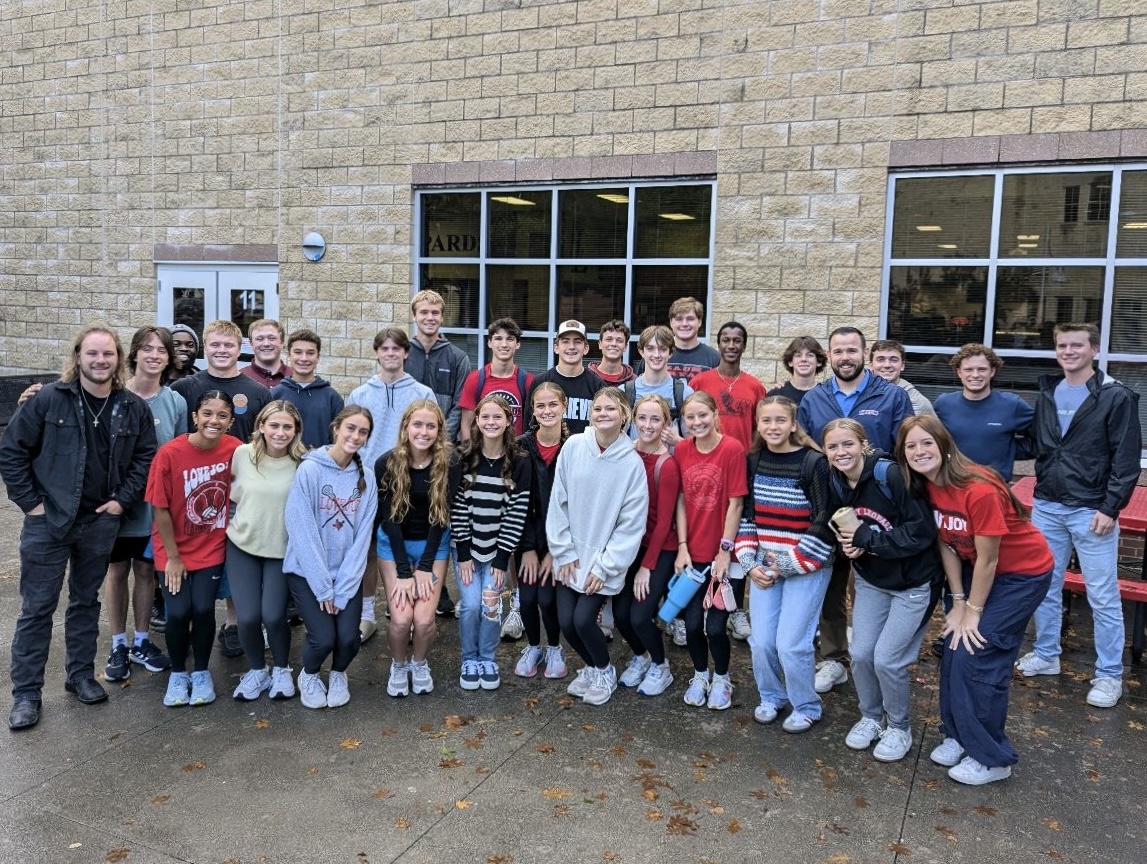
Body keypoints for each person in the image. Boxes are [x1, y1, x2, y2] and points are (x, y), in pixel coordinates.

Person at [1, 324, 158, 731]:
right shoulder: (49, 400)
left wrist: (121, 501)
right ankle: (27, 693)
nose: (100, 361)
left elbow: (145, 459)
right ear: (77, 357)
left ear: (119, 359)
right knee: (37, 609)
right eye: (92, 353)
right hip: (48, 522)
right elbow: (12, 451)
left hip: (99, 523)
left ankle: (80, 675)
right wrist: (31, 504)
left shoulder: (132, 407)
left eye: (108, 354)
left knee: (86, 602)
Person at [898, 414, 1054, 785]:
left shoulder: (978, 487)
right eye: (910, 446)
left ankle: (993, 757)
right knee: (953, 648)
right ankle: (958, 734)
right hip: (974, 573)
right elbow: (947, 543)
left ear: (944, 444)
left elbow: (990, 559)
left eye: (926, 443)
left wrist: (974, 610)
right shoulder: (925, 485)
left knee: (978, 653)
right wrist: (956, 600)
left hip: (1021, 575)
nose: (920, 451)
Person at [1016, 323, 1141, 709]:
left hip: (1091, 509)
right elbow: (1037, 444)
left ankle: (1108, 676)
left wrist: (1110, 507)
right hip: (1049, 505)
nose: (1068, 351)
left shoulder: (1114, 396)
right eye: (1062, 346)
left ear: (1094, 349)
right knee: (1045, 587)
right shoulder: (1048, 391)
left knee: (1103, 596)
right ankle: (1047, 653)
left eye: (1076, 345)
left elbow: (1126, 457)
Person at [797, 326, 914, 695]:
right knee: (830, 586)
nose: (845, 357)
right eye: (838, 351)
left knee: (872, 586)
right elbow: (807, 454)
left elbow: (905, 453)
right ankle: (834, 658)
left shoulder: (892, 396)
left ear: (865, 353)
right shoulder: (814, 399)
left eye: (852, 350)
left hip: (878, 511)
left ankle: (874, 657)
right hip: (829, 507)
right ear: (828, 356)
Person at [823, 419, 942, 761]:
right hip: (871, 579)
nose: (841, 452)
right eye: (833, 447)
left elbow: (920, 532)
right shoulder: (837, 480)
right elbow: (846, 526)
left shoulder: (888, 476)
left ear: (864, 444)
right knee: (860, 654)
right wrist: (849, 544)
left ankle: (899, 727)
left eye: (848, 444)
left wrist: (868, 540)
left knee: (887, 660)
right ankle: (871, 717)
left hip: (912, 583)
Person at [172, 319, 271, 659]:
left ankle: (233, 622)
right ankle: (185, 620)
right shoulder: (185, 387)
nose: (221, 351)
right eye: (214, 345)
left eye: (228, 345)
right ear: (205, 346)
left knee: (235, 557)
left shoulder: (257, 391)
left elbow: (264, 441)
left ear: (240, 346)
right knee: (192, 554)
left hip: (240, 490)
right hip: (194, 487)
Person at [735, 396, 834, 732]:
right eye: (766, 421)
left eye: (780, 421)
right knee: (762, 642)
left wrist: (789, 564)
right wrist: (749, 564)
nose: (773, 427)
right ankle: (772, 696)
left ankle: (806, 705)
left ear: (793, 424)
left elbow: (824, 521)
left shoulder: (813, 462)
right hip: (765, 567)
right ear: (758, 425)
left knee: (792, 644)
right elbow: (748, 516)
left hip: (806, 564)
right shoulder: (754, 460)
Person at [548, 388, 649, 705]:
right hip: (570, 555)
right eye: (598, 409)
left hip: (603, 562)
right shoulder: (574, 446)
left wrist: (606, 567)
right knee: (566, 622)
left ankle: (605, 671)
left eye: (610, 409)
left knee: (582, 620)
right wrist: (563, 551)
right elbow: (558, 501)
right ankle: (591, 667)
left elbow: (631, 525)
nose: (603, 414)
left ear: (624, 415)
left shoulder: (632, 464)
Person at [101, 326, 186, 683]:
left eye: (161, 351)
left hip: (156, 507)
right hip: (120, 503)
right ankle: (118, 642)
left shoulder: (175, 402)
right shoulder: (112, 397)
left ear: (169, 359)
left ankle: (141, 640)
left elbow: (181, 454)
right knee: (118, 571)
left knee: (148, 572)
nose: (154, 355)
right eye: (147, 349)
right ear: (133, 354)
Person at [147, 390, 241, 708]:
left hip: (210, 545)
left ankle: (201, 672)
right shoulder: (170, 454)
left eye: (222, 415)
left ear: (231, 421)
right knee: (177, 612)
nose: (214, 420)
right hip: (172, 547)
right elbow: (159, 508)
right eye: (207, 413)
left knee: (202, 609)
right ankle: (178, 673)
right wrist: (173, 558)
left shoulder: (235, 450)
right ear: (195, 417)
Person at [284, 406, 379, 709]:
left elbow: (362, 536)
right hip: (307, 572)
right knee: (323, 639)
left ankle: (338, 674)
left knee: (349, 640)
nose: (355, 436)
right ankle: (309, 674)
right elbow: (301, 529)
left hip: (346, 574)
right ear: (336, 428)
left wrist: (345, 584)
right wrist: (324, 586)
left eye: (362, 432)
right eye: (350, 428)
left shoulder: (366, 477)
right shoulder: (310, 469)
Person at [347, 327, 434, 643]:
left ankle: (408, 614)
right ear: (376, 353)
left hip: (413, 486)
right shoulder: (360, 394)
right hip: (370, 484)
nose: (391, 354)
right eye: (384, 349)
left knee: (409, 549)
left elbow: (433, 439)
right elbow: (352, 441)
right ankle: (367, 614)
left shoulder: (422, 393)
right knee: (370, 551)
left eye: (397, 349)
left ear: (406, 353)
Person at [689, 321, 767, 641]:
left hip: (741, 468)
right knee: (705, 532)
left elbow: (759, 431)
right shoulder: (700, 381)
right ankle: (697, 604)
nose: (731, 345)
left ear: (744, 346)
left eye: (737, 340)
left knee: (738, 539)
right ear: (718, 344)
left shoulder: (755, 387)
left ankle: (734, 609)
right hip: (706, 467)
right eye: (725, 340)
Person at [375, 400, 458, 697]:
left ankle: (419, 663)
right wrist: (403, 571)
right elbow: (389, 518)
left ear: (439, 430)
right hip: (393, 543)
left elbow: (441, 517)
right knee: (400, 619)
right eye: (418, 424)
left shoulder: (449, 462)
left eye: (431, 426)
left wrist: (424, 568)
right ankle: (398, 665)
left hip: (432, 546)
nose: (423, 432)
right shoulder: (386, 462)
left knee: (423, 620)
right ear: (406, 427)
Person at [451, 395, 532, 691]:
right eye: (485, 417)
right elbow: (457, 508)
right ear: (477, 420)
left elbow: (517, 512)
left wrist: (502, 558)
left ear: (509, 421)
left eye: (498, 417)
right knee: (471, 606)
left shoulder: (519, 462)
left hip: (498, 550)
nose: (491, 423)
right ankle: (469, 658)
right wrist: (462, 553)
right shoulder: (462, 457)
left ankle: (487, 657)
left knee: (490, 604)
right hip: (468, 549)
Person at [227, 401, 306, 701]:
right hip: (242, 545)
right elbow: (227, 493)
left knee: (273, 616)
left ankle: (282, 670)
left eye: (287, 426)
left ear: (296, 430)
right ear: (261, 425)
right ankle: (258, 670)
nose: (280, 432)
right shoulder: (242, 455)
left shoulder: (303, 462)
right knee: (247, 618)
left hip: (280, 550)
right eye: (274, 425)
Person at [674, 392, 747, 710]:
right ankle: (701, 674)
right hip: (693, 553)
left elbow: (736, 503)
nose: (697, 422)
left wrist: (725, 551)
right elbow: (679, 499)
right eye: (690, 417)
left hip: (722, 554)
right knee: (691, 625)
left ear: (716, 415)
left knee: (716, 625)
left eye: (703, 415)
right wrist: (681, 547)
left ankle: (722, 678)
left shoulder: (732, 449)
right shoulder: (681, 449)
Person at [612, 394, 681, 697]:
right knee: (621, 614)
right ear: (633, 419)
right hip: (629, 546)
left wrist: (646, 567)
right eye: (642, 418)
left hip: (658, 548)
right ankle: (641, 656)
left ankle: (660, 665)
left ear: (666, 423)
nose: (648, 425)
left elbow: (665, 522)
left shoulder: (667, 466)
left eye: (656, 419)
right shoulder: (626, 454)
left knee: (641, 615)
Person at [513, 383, 572, 681]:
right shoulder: (521, 447)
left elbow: (574, 507)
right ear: (533, 410)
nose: (547, 411)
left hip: (557, 543)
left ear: (564, 406)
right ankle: (533, 646)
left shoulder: (574, 447)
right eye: (541, 406)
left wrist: (553, 551)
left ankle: (553, 648)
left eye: (553, 404)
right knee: (526, 599)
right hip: (526, 539)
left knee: (547, 600)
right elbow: (517, 503)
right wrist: (526, 549)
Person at [933, 343, 1033, 482]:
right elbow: (931, 440)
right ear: (959, 372)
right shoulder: (943, 404)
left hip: (995, 488)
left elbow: (1042, 437)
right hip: (953, 485)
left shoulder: (1012, 405)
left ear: (992, 371)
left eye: (982, 369)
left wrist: (1008, 451)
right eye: (968, 369)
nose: (975, 375)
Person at [405, 289, 472, 443]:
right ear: (414, 316)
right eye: (424, 312)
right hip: (406, 443)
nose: (430, 317)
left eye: (435, 313)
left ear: (442, 317)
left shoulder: (458, 358)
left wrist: (440, 439)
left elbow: (459, 406)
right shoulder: (402, 355)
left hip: (444, 446)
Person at [458, 318, 534, 440]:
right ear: (489, 343)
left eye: (510, 339)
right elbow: (466, 424)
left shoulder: (527, 381)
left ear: (518, 344)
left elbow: (533, 425)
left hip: (516, 453)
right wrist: (470, 455)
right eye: (498, 339)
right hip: (482, 453)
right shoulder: (475, 379)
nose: (504, 344)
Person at [525, 319, 605, 436]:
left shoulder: (598, 386)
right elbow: (529, 426)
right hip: (547, 453)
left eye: (577, 342)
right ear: (556, 347)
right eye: (565, 341)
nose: (571, 346)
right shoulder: (540, 382)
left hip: (585, 453)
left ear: (586, 348)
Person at [270, 328, 345, 450]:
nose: (304, 358)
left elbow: (338, 441)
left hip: (319, 465)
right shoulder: (274, 394)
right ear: (289, 355)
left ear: (318, 357)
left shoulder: (332, 398)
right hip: (282, 465)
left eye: (310, 353)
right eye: (298, 352)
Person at [625, 324, 693, 446]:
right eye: (650, 348)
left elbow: (694, 446)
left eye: (662, 349)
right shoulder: (626, 392)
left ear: (670, 353)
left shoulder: (683, 393)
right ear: (641, 351)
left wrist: (677, 441)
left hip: (670, 463)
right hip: (634, 463)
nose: (656, 355)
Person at [869, 339, 934, 417]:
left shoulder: (916, 402)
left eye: (894, 360)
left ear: (902, 365)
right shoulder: (859, 393)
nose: (887, 365)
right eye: (880, 359)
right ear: (871, 365)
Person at [666, 296, 720, 382]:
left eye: (690, 319)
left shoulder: (714, 358)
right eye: (679, 319)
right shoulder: (656, 355)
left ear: (699, 322)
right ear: (671, 322)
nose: (684, 324)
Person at [770, 336, 826, 404]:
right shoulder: (776, 395)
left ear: (819, 362)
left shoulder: (826, 396)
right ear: (790, 362)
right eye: (798, 355)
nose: (803, 359)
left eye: (809, 355)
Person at [240, 319, 292, 388]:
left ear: (282, 342)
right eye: (259, 339)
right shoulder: (239, 379)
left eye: (271, 338)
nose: (266, 344)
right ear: (251, 344)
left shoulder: (297, 377)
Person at [588, 319, 636, 385]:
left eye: (619, 341)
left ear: (625, 347)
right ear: (600, 344)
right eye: (609, 339)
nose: (614, 344)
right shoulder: (586, 378)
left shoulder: (634, 383)